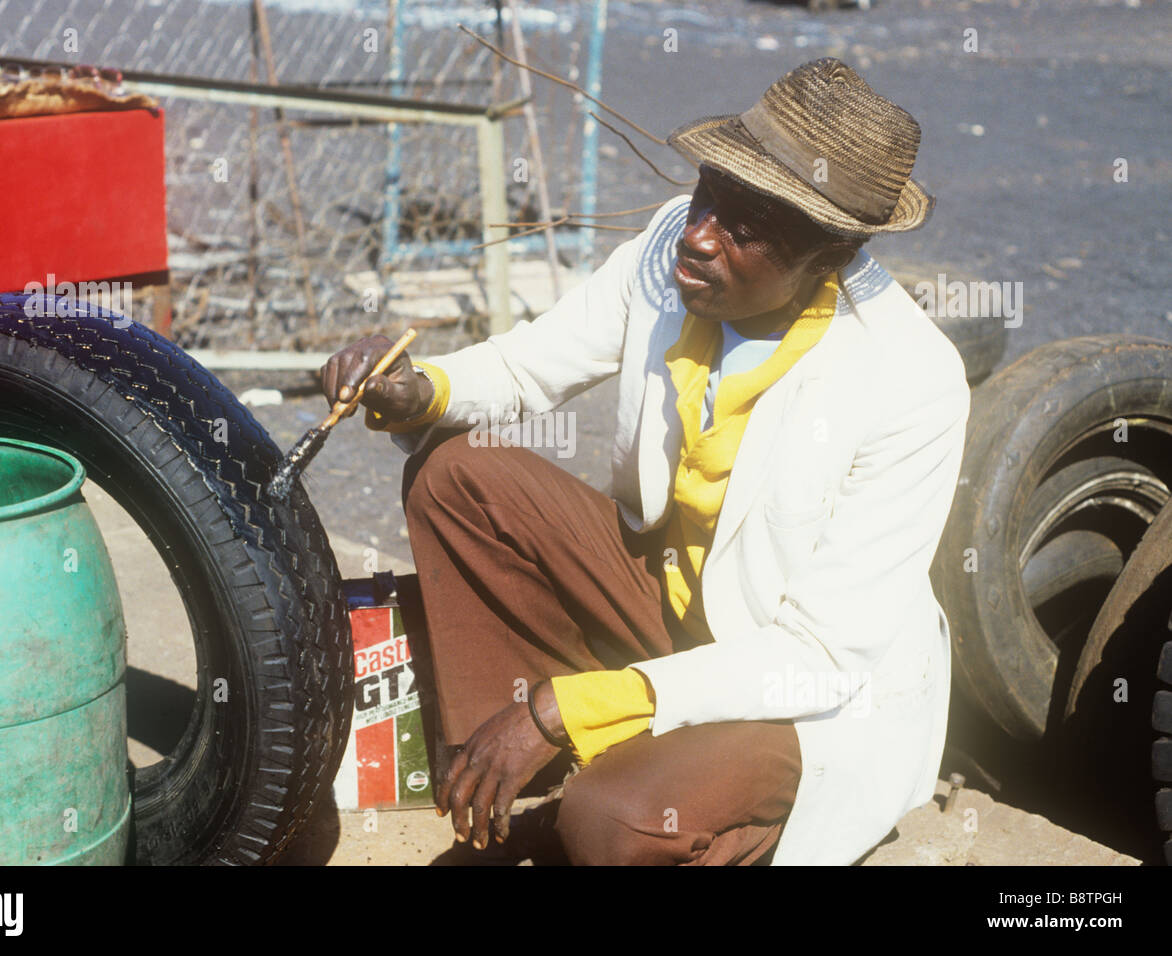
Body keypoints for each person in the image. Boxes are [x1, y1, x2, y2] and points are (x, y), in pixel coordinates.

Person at [319, 57, 970, 865]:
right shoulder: (673, 247)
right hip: (669, 615)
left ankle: (713, 816)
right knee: (458, 475)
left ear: (829, 252)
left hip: (803, 694)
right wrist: (421, 389)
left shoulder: (912, 382)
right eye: (709, 195)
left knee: (614, 820)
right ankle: (499, 773)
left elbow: (819, 658)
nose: (699, 233)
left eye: (745, 225)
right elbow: (528, 368)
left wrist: (568, 707)